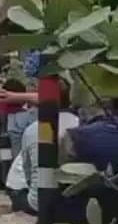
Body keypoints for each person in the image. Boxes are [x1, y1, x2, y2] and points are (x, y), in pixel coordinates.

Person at [5, 77, 79, 215]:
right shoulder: (80, 126)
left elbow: (27, 171)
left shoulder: (34, 129)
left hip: (36, 201)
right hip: (65, 196)